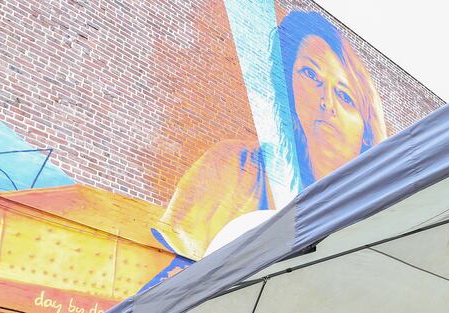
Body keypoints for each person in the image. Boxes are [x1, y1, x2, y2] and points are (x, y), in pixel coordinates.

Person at [156, 10, 386, 259]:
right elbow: (173, 275)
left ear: (367, 129)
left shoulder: (375, 215)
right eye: (310, 75)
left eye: (344, 96)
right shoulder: (235, 166)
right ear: (287, 83)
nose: (326, 102)